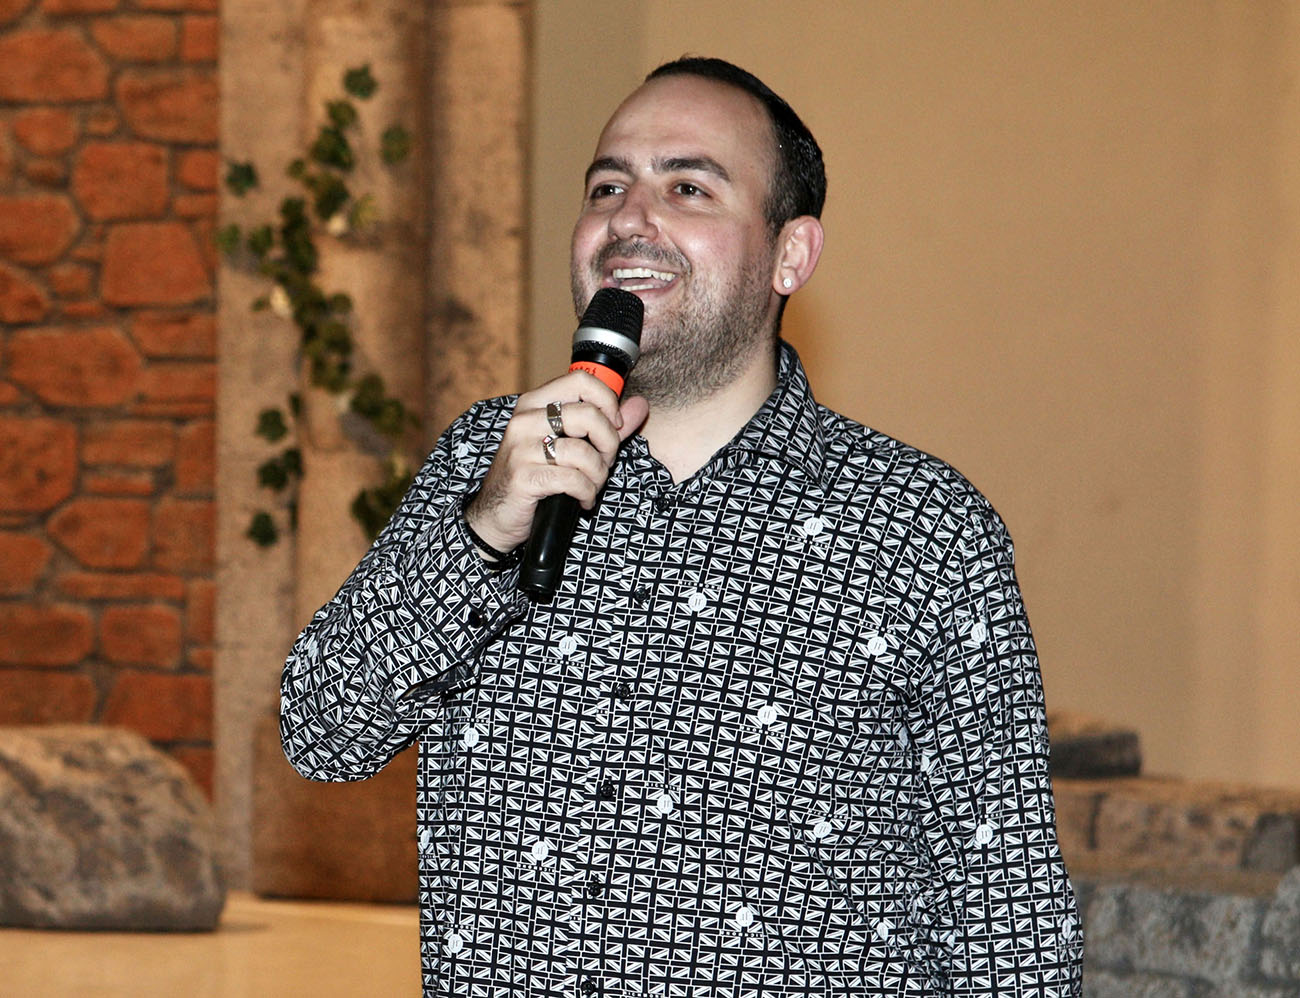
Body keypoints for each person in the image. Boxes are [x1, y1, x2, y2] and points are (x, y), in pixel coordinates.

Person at [281, 56, 1083, 997]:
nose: (629, 218)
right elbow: (320, 734)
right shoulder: (487, 463)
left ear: (791, 254)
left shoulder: (922, 529)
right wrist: (480, 534)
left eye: (688, 187)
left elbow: (1009, 925)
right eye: (607, 186)